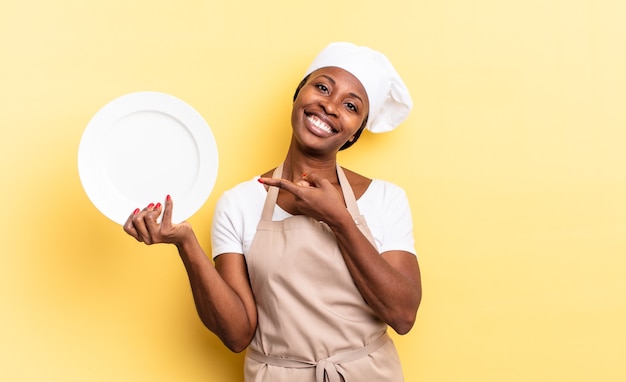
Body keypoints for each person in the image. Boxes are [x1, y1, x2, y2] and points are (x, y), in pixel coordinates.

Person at [124, 42, 422, 381]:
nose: (329, 105)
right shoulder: (238, 203)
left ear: (355, 133)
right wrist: (186, 243)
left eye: (351, 105)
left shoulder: (385, 198)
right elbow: (237, 335)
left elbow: (403, 315)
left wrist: (339, 220)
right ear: (298, 95)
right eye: (322, 87)